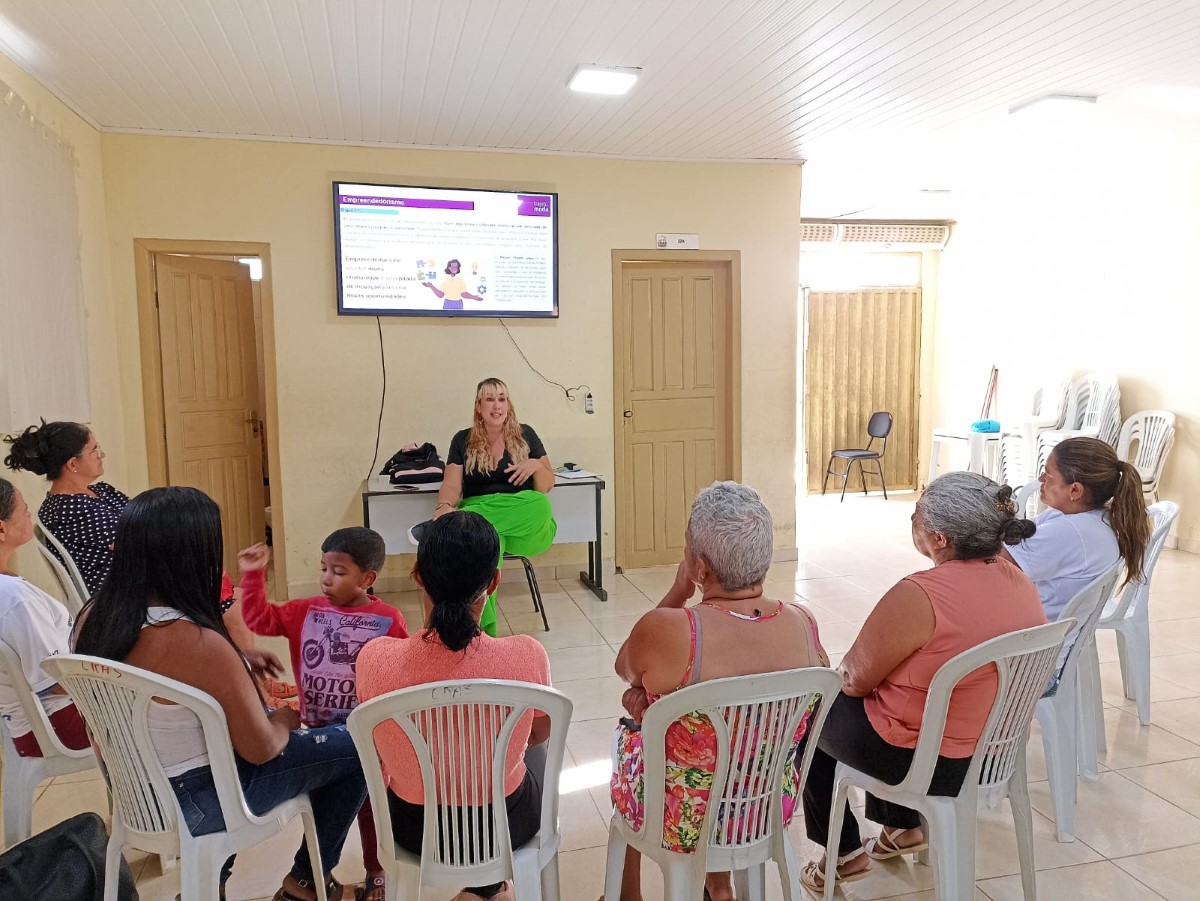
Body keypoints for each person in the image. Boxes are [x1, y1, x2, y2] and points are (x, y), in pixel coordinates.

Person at [72, 487, 368, 901]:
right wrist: (286, 719)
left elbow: (172, 682)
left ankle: (211, 885)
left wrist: (238, 664)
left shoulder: (92, 617)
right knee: (360, 742)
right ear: (192, 556)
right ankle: (303, 884)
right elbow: (260, 749)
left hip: (138, 793)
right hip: (201, 802)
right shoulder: (195, 642)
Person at [799, 472, 1046, 893]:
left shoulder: (920, 594)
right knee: (892, 701)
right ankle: (901, 828)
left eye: (916, 512)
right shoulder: (1018, 579)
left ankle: (842, 854)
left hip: (934, 764)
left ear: (940, 538)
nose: (911, 518)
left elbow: (854, 680)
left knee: (812, 707)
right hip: (994, 754)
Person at [609, 481, 828, 901]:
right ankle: (719, 882)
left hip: (686, 816)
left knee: (629, 737)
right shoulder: (803, 624)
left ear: (700, 567)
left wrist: (678, 592)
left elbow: (625, 667)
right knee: (714, 741)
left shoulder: (671, 630)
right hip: (762, 808)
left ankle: (628, 895)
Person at [356, 511, 552, 901]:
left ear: (418, 576)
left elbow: (379, 747)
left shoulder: (375, 659)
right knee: (536, 743)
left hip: (413, 830)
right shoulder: (527, 655)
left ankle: (486, 888)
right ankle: (490, 885)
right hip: (507, 826)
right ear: (494, 581)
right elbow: (540, 734)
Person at [3, 419, 278, 687]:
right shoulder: (68, 509)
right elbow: (140, 538)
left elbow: (146, 521)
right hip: (124, 589)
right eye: (94, 450)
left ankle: (249, 682)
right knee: (234, 605)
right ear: (73, 464)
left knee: (230, 591)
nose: (102, 455)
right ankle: (252, 688)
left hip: (138, 576)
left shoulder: (98, 492)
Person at [239, 527, 407, 901]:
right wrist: (253, 575)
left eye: (339, 572)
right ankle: (317, 871)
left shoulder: (389, 620)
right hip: (318, 738)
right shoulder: (306, 610)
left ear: (367, 579)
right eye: (323, 568)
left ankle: (376, 869)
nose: (327, 579)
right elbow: (260, 619)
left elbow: (399, 673)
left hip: (367, 739)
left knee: (371, 811)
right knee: (323, 810)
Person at [423, 378, 556, 637]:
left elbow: (546, 487)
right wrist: (444, 504)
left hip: (525, 527)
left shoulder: (526, 434)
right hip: (485, 529)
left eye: (502, 399)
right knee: (490, 543)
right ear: (478, 406)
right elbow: (451, 483)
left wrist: (536, 466)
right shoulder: (462, 439)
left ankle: (464, 519)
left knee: (540, 504)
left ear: (509, 404)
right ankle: (485, 634)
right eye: (490, 399)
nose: (497, 406)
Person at [1001, 436, 1150, 620]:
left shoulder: (1068, 532)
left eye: (1048, 475)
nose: (1041, 479)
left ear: (1075, 490)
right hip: (1054, 626)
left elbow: (996, 562)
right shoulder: (1094, 517)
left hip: (1037, 632)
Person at [0, 477, 90, 757]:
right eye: (24, 510)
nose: (29, 514)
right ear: (2, 529)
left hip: (33, 723)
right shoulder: (15, 599)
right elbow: (54, 682)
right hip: (58, 724)